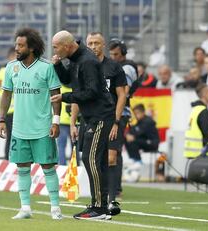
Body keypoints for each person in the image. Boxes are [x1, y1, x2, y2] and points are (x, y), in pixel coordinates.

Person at [0, 28, 62, 220]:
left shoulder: (46, 67)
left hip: (42, 128)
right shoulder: (11, 68)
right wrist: (2, 119)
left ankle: (55, 209)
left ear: (32, 47)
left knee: (48, 167)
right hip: (19, 128)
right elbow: (6, 95)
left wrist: (56, 121)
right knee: (22, 167)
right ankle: (25, 208)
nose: (16, 48)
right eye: (16, 45)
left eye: (21, 45)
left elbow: (55, 96)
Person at [51, 30, 115, 220]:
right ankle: (100, 206)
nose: (54, 50)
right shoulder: (74, 58)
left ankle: (99, 208)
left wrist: (65, 97)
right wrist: (57, 65)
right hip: (92, 117)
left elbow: (92, 92)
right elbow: (68, 81)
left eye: (56, 47)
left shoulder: (87, 61)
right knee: (94, 160)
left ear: (67, 46)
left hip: (101, 116)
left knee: (90, 159)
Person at [84, 32, 126, 216]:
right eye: (90, 43)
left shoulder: (113, 67)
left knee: (110, 158)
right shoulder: (83, 67)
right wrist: (73, 122)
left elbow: (122, 95)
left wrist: (116, 121)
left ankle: (111, 198)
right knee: (95, 160)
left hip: (111, 119)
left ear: (103, 45)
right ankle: (100, 200)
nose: (93, 46)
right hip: (92, 120)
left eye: (96, 43)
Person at [108, 38, 139, 203]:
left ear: (124, 54)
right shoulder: (115, 66)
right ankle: (113, 186)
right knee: (112, 151)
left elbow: (124, 93)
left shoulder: (126, 68)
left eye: (116, 54)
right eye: (111, 54)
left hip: (120, 113)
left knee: (115, 151)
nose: (113, 57)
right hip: (111, 112)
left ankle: (116, 188)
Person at [0, 47, 16, 160]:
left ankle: (7, 158)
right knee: (12, 137)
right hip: (12, 108)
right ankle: (9, 158)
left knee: (10, 136)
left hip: (6, 109)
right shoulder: (8, 70)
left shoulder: (1, 71)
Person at [184, 84, 208, 158]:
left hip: (193, 154)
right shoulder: (203, 111)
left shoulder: (194, 109)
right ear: (205, 94)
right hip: (202, 154)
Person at [57, 85, 73, 165]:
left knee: (61, 146)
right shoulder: (75, 88)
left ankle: (62, 166)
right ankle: (75, 166)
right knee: (75, 147)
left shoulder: (60, 88)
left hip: (62, 121)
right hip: (74, 122)